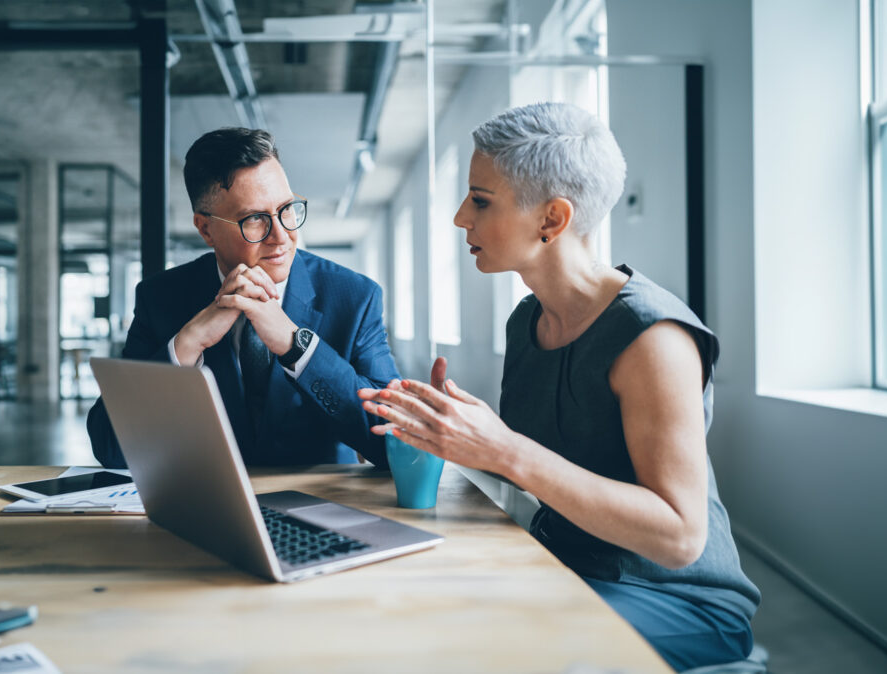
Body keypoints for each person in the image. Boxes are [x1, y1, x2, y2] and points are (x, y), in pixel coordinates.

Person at [358, 102, 759, 670]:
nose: (460, 218)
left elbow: (679, 536)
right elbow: (548, 464)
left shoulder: (654, 338)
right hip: (565, 561)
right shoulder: (527, 321)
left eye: (480, 200)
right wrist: (453, 431)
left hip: (675, 599)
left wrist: (503, 448)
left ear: (551, 219)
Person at [89, 127, 398, 468]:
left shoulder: (355, 298)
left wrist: (297, 347)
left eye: (287, 208)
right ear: (205, 229)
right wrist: (188, 344)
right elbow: (110, 448)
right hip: (207, 497)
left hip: (321, 496)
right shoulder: (160, 298)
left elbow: (393, 440)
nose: (281, 236)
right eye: (255, 219)